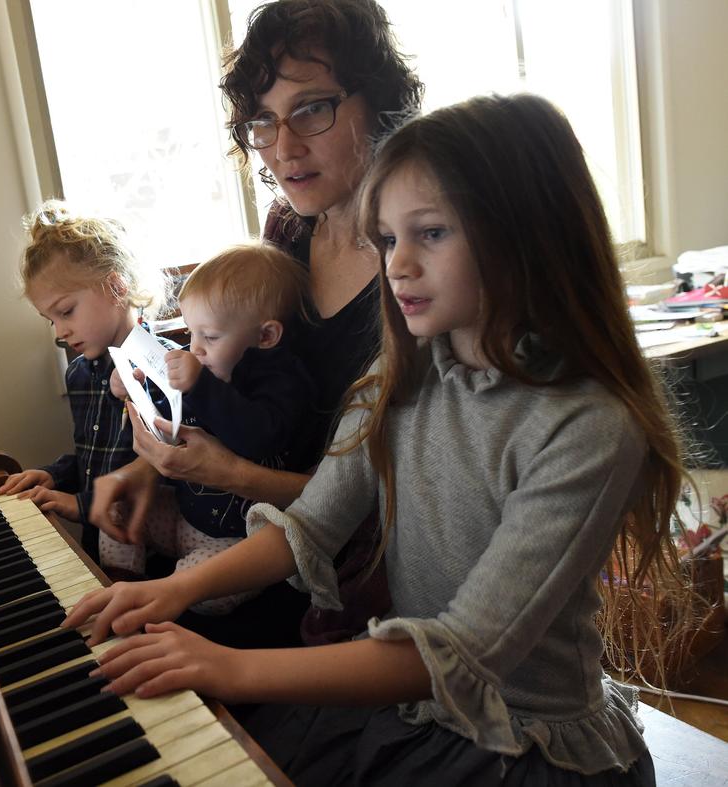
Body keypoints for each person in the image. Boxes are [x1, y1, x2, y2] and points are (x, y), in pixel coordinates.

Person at [64, 94, 701, 785]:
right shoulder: (396, 377)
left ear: (527, 233)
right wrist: (174, 591)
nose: (398, 265)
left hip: (525, 746)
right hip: (417, 707)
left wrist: (228, 667)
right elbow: (309, 526)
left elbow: (459, 651)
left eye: (431, 233)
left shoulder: (589, 425)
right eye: (389, 240)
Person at [94, 0, 424, 645]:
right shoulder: (287, 232)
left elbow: (396, 502)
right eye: (263, 122)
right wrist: (151, 469)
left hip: (360, 586)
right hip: (259, 536)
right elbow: (241, 378)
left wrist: (228, 474)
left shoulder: (420, 270)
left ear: (380, 103)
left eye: (312, 108)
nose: (284, 148)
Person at [99, 243, 315, 614]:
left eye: (210, 337)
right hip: (184, 516)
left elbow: (258, 437)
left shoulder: (283, 382)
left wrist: (200, 384)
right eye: (191, 334)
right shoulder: (211, 362)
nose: (195, 349)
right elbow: (174, 411)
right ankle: (122, 589)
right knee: (120, 511)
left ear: (266, 337)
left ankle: (150, 608)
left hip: (238, 538)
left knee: (202, 591)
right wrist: (136, 385)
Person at [0, 199, 169, 562]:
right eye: (51, 320)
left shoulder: (165, 367)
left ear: (116, 287)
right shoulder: (79, 373)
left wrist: (79, 504)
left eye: (66, 311)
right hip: (101, 554)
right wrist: (54, 476)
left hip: (156, 560)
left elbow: (170, 475)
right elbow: (92, 458)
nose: (59, 331)